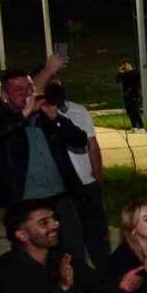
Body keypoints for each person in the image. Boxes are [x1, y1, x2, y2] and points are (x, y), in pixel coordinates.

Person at [0, 65, 91, 277]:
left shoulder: (44, 114)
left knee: (73, 249)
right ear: (5, 95)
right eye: (18, 89)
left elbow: (79, 139)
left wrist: (56, 118)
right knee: (29, 257)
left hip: (59, 196)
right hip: (23, 200)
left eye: (28, 87)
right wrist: (23, 115)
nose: (26, 92)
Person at [47, 80, 110, 274]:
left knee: (98, 235)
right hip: (62, 188)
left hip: (88, 183)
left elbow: (92, 143)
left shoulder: (78, 110)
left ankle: (105, 279)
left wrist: (97, 173)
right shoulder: (38, 116)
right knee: (71, 240)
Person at [115, 59, 145, 132]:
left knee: (135, 111)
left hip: (134, 94)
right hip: (126, 95)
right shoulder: (124, 74)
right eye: (123, 66)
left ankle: (141, 127)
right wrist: (119, 72)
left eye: (125, 65)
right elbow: (117, 80)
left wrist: (123, 73)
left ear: (129, 64)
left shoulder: (135, 73)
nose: (124, 67)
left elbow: (132, 80)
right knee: (129, 111)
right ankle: (134, 126)